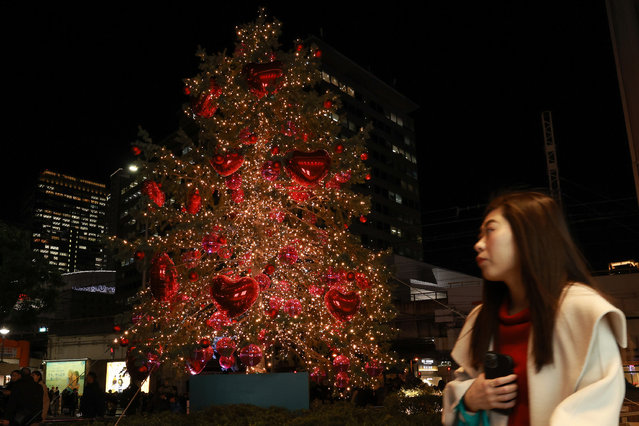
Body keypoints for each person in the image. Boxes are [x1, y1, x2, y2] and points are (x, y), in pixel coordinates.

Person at [442, 191, 627, 426]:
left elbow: (597, 412)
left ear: (528, 235)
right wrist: (470, 399)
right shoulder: (480, 319)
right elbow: (459, 403)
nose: (478, 245)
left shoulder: (583, 311)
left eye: (490, 231)